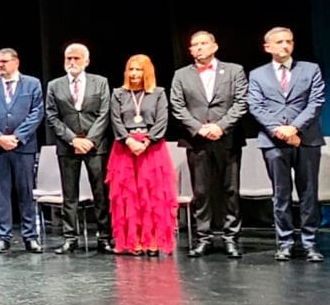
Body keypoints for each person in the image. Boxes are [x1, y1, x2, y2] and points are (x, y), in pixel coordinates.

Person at [168, 31, 248, 259]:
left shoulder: (234, 71)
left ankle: (230, 238)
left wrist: (220, 126)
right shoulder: (182, 75)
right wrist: (198, 128)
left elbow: (241, 102)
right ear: (190, 50)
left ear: (215, 46)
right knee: (201, 191)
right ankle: (203, 238)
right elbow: (178, 106)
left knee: (230, 190)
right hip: (197, 139)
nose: (200, 48)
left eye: (204, 43)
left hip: (227, 138)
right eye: (195, 45)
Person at [248, 27, 325, 262]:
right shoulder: (257, 74)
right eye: (279, 42)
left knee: (308, 193)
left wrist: (295, 128)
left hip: (307, 139)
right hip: (274, 142)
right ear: (267, 47)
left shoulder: (310, 69)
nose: (285, 45)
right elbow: (255, 105)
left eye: (289, 41)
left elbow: (316, 101)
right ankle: (285, 243)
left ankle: (310, 243)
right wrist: (279, 130)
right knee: (280, 195)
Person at [44, 44, 113, 255]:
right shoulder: (55, 85)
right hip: (68, 146)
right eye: (68, 58)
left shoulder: (100, 82)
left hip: (96, 146)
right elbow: (52, 116)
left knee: (100, 193)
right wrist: (73, 139)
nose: (72, 62)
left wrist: (90, 140)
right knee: (69, 195)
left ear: (86, 61)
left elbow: (104, 113)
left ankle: (104, 238)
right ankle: (70, 238)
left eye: (76, 58)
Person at [0, 48, 45, 253]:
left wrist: (16, 137)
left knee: (25, 192)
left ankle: (30, 236)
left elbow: (36, 112)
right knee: (2, 193)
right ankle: (3, 236)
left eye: (4, 62)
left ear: (16, 62)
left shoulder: (32, 84)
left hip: (23, 147)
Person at [107, 55, 176, 256]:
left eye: (138, 70)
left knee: (152, 195)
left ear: (147, 72)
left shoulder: (159, 93)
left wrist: (146, 142)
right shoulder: (119, 94)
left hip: (151, 149)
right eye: (131, 69)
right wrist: (129, 140)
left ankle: (153, 240)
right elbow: (115, 120)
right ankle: (133, 240)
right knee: (128, 196)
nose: (134, 74)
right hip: (125, 149)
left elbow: (162, 120)